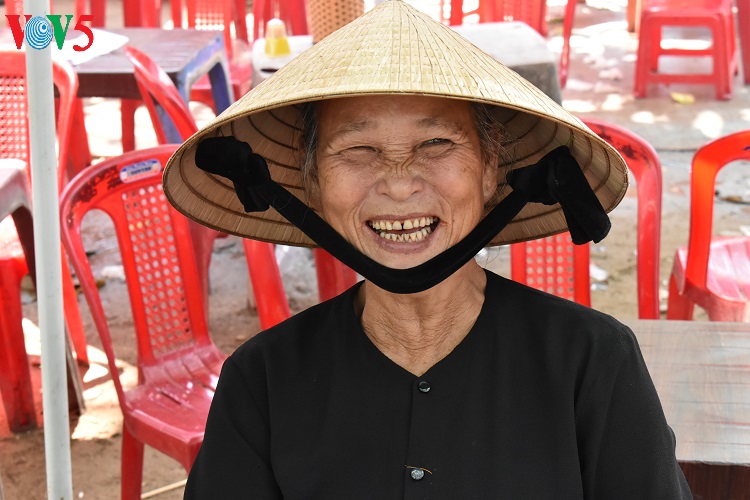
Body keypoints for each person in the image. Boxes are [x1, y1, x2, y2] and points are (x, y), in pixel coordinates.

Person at [163, 1, 692, 498]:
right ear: (314, 185)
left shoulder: (592, 362)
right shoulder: (263, 381)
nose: (399, 184)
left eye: (436, 144)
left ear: (489, 170)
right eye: (359, 149)